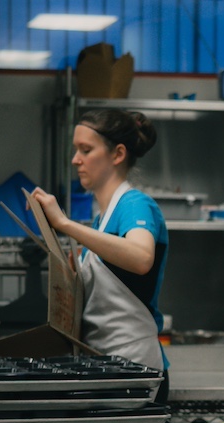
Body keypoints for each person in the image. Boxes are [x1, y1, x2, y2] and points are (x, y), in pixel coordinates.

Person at [30, 109, 171, 403]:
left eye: (86, 150)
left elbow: (141, 257)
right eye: (75, 150)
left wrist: (65, 224)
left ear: (117, 154)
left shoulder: (135, 205)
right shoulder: (101, 220)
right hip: (105, 365)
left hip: (134, 367)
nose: (75, 160)